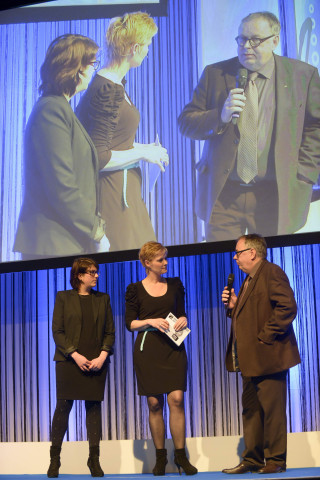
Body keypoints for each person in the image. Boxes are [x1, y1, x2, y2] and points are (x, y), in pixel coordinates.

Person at [178, 11, 320, 242]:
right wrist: (220, 116)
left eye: (255, 40)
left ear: (275, 40)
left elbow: (316, 127)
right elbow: (186, 123)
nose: (246, 46)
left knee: (267, 266)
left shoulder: (302, 76)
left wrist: (304, 173)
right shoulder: (215, 74)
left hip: (274, 195)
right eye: (242, 39)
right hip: (223, 194)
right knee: (221, 262)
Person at [76, 12, 169, 252]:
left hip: (124, 191)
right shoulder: (108, 90)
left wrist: (146, 148)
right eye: (147, 45)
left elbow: (114, 142)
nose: (148, 51)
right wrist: (142, 155)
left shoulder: (114, 85)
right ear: (134, 48)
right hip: (113, 195)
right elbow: (99, 157)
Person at [13, 34, 109, 260]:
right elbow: (61, 186)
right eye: (92, 64)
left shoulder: (60, 109)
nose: (94, 70)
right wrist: (96, 230)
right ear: (76, 69)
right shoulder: (51, 111)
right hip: (53, 245)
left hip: (65, 241)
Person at [221, 234, 300, 474]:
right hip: (249, 359)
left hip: (269, 355)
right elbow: (252, 313)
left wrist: (266, 336)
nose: (235, 257)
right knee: (251, 410)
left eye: (238, 252)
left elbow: (287, 307)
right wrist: (234, 307)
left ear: (252, 253)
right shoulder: (247, 280)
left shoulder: (271, 272)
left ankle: (275, 460)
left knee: (273, 410)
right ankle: (252, 459)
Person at [125, 241, 197, 476]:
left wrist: (184, 318)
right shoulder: (135, 289)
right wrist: (151, 321)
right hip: (148, 349)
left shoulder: (175, 284)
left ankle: (180, 456)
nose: (165, 263)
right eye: (160, 260)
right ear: (147, 263)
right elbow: (130, 323)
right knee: (154, 403)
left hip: (172, 348)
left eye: (165, 258)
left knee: (176, 399)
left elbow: (182, 311)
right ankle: (160, 458)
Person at [47, 257, 115, 478]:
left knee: (93, 409)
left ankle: (93, 460)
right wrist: (74, 354)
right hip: (69, 361)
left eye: (97, 271)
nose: (96, 275)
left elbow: (110, 332)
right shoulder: (63, 297)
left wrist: (103, 356)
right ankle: (54, 460)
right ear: (79, 275)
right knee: (63, 408)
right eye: (92, 272)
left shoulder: (103, 299)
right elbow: (57, 331)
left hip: (97, 362)